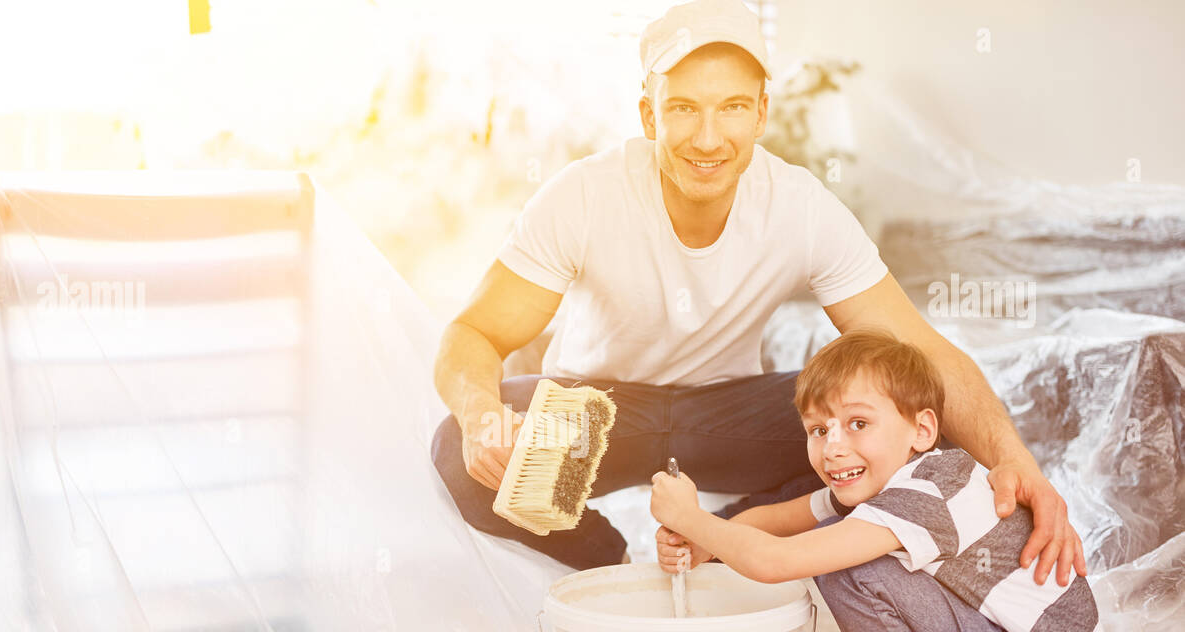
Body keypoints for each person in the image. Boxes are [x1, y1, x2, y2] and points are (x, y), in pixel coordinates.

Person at [431, 0, 1087, 588]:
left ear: (761, 112)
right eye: (684, 107)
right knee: (456, 456)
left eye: (733, 108)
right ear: (648, 114)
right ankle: (612, 563)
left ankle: (719, 543)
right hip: (594, 415)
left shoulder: (798, 205)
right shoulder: (582, 196)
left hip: (726, 418)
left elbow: (921, 351)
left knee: (906, 434)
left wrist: (1013, 457)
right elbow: (475, 334)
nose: (708, 138)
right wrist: (479, 414)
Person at [649, 328, 1111, 632]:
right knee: (839, 546)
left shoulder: (927, 494)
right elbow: (782, 520)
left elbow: (775, 560)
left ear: (922, 430)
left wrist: (690, 517)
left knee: (850, 568)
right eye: (819, 429)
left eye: (858, 424)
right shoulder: (891, 480)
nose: (833, 448)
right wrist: (707, 544)